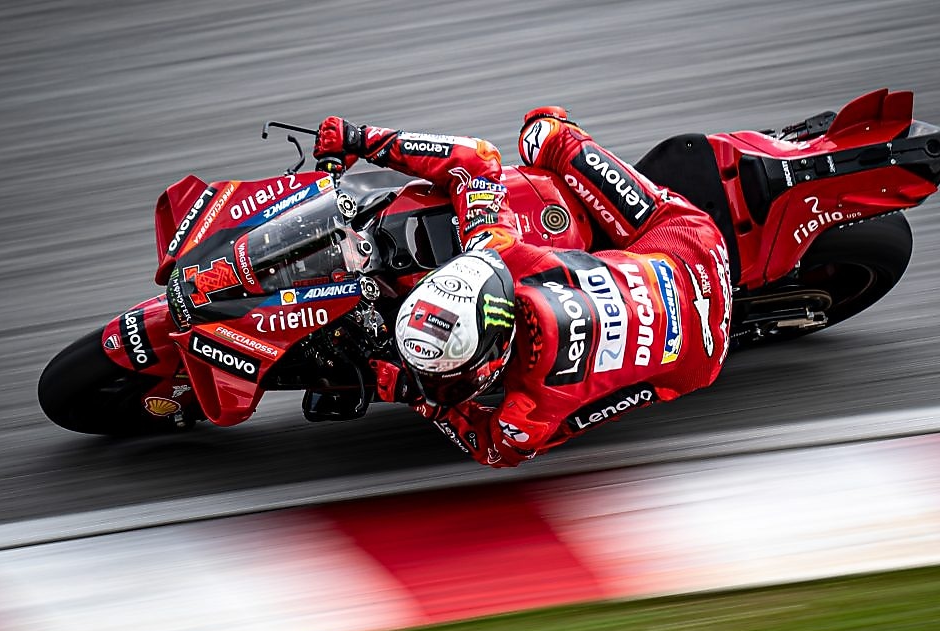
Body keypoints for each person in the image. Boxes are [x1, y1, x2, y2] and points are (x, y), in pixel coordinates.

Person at [313, 108, 732, 467]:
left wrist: (420, 396)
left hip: (697, 363)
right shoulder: (502, 256)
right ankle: (559, 139)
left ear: (492, 360)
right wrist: (362, 139)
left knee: (578, 416)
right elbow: (477, 159)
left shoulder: (532, 404)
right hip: (691, 251)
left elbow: (492, 451)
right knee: (543, 134)